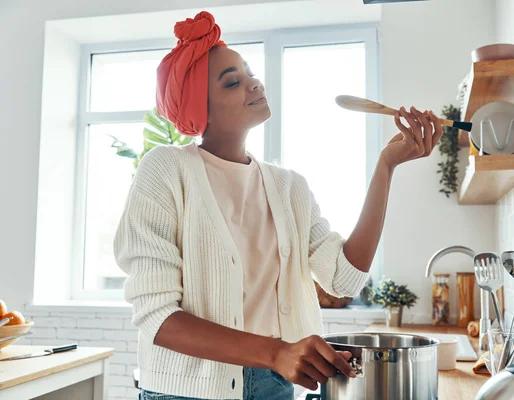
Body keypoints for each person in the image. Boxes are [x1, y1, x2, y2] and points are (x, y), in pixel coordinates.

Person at [114, 11, 443, 400]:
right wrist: (277, 352)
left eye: (248, 72)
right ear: (200, 109)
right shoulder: (165, 170)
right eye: (233, 82)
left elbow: (344, 278)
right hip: (188, 391)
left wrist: (386, 167)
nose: (254, 82)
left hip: (275, 385)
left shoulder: (289, 187)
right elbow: (158, 318)